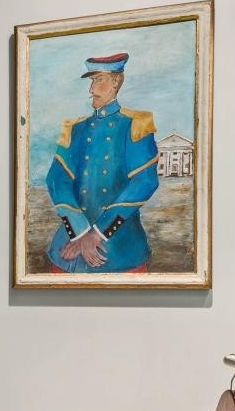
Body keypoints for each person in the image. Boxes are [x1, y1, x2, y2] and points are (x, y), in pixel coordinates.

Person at [46, 52, 159, 274]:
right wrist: (80, 233)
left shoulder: (135, 124)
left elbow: (144, 182)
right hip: (70, 246)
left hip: (119, 248)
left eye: (98, 80)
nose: (91, 89)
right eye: (92, 81)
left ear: (116, 81)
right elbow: (57, 180)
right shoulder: (76, 129)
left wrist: (96, 234)